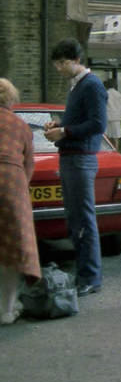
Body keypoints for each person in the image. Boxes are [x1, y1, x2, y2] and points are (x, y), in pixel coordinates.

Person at [43, 38, 107, 296]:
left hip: (81, 158)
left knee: (83, 219)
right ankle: (84, 273)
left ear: (76, 60)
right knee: (75, 218)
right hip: (72, 156)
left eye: (62, 63)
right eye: (56, 63)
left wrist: (65, 131)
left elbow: (97, 125)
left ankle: (91, 277)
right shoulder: (77, 86)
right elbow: (81, 120)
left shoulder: (91, 85)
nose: (59, 68)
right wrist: (59, 124)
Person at [0, 78, 41, 325]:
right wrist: (19, 191)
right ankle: (6, 310)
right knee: (14, 250)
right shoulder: (20, 125)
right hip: (11, 185)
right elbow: (29, 165)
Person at [105, 79, 121, 151]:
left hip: (107, 116)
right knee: (116, 135)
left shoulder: (105, 93)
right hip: (116, 117)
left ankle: (110, 149)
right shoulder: (118, 94)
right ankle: (116, 149)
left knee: (108, 134)